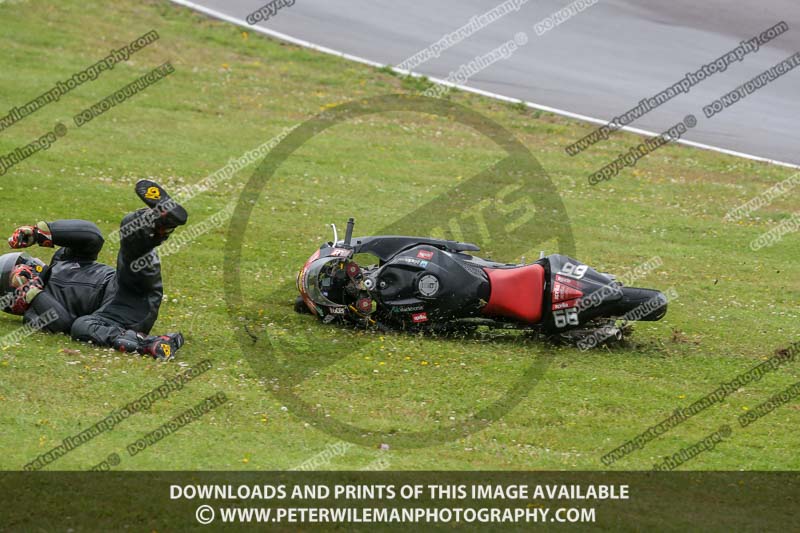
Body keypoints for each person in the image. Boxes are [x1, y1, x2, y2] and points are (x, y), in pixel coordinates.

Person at [0, 180, 187, 360]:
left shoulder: (62, 259)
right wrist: (33, 294)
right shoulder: (33, 312)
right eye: (19, 272)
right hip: (120, 314)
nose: (28, 268)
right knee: (81, 327)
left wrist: (40, 233)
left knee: (130, 226)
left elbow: (92, 236)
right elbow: (63, 322)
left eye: (23, 264)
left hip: (128, 281)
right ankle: (149, 344)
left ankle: (162, 222)